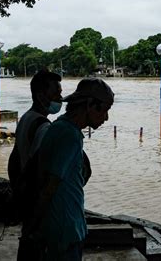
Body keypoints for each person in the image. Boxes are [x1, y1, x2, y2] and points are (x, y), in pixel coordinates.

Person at [29, 78, 114, 260]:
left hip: (64, 227)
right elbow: (50, 186)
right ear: (91, 105)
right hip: (64, 230)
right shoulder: (69, 136)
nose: (106, 118)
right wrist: (33, 226)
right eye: (105, 110)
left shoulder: (61, 127)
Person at [6, 69, 62, 260]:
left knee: (28, 245)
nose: (60, 99)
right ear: (40, 95)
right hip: (35, 200)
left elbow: (14, 160)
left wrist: (16, 191)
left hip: (25, 196)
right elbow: (41, 174)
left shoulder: (25, 118)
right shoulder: (44, 127)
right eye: (56, 93)